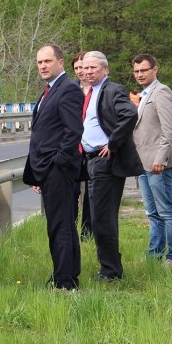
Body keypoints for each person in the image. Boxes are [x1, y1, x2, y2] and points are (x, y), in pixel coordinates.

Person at [24, 44, 84, 290]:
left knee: (60, 225)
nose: (42, 66)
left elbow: (73, 132)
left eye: (47, 61)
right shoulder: (50, 90)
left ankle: (65, 281)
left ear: (60, 62)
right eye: (39, 62)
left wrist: (55, 164)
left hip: (58, 170)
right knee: (60, 224)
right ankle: (65, 274)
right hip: (48, 170)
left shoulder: (68, 89)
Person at [80, 51, 142, 281]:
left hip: (104, 161)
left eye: (92, 68)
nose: (87, 72)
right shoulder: (90, 92)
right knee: (97, 217)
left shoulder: (112, 89)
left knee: (102, 218)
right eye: (85, 68)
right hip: (90, 160)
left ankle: (111, 271)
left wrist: (112, 143)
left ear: (105, 69)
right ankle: (110, 266)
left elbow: (130, 113)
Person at [131, 53, 172, 267]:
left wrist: (160, 159)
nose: (140, 74)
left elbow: (169, 130)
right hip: (143, 163)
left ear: (155, 69)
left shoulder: (161, 92)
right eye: (136, 71)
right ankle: (155, 256)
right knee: (152, 213)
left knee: (166, 211)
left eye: (144, 70)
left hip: (158, 164)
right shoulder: (144, 95)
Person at [71, 52, 93, 241]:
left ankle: (87, 233)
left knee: (91, 193)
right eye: (76, 68)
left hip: (92, 148)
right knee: (73, 191)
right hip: (75, 148)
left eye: (82, 67)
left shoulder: (97, 90)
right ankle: (71, 230)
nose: (80, 71)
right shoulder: (71, 90)